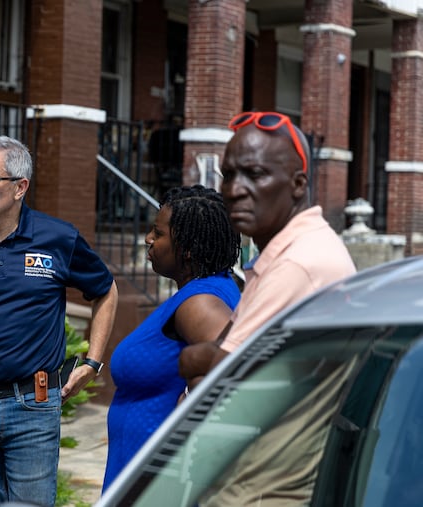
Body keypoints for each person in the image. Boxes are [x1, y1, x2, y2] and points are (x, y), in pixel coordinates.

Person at [0, 135, 118, 507]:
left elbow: (106, 290)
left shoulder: (57, 238)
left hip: (32, 405)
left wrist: (92, 363)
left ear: (20, 187)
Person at [179, 111, 356, 388]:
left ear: (298, 185)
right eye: (229, 175)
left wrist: (189, 359)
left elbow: (216, 383)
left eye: (255, 174)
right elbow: (223, 348)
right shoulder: (292, 248)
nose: (235, 189)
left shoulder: (298, 262)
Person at [102, 185, 241, 491]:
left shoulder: (200, 303)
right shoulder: (205, 289)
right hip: (139, 472)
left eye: (158, 233)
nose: (148, 239)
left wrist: (193, 406)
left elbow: (234, 372)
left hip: (160, 480)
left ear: (188, 248)